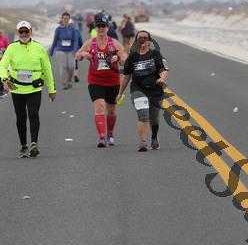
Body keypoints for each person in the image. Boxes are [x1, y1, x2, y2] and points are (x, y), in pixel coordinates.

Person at [0, 20, 56, 158]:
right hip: (17, 88)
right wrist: (5, 79)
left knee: (33, 113)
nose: (24, 34)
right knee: (21, 117)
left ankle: (34, 144)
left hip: (34, 88)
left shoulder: (39, 48)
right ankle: (24, 145)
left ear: (31, 31)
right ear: (18, 32)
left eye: (26, 31)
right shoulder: (12, 48)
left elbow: (47, 69)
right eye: (21, 31)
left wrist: (51, 89)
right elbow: (2, 65)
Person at [76, 15, 127, 147]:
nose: (101, 28)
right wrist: (83, 54)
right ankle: (102, 137)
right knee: (99, 107)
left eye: (103, 26)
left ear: (107, 28)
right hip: (95, 81)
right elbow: (77, 55)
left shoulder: (114, 43)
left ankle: (110, 134)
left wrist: (118, 58)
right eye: (99, 26)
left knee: (111, 110)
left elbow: (125, 59)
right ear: (95, 28)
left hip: (113, 81)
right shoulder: (90, 43)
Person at [117, 31, 168, 151]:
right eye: (140, 38)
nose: (143, 39)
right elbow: (126, 77)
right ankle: (143, 142)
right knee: (143, 114)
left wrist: (162, 78)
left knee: (154, 117)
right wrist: (120, 93)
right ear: (136, 41)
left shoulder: (156, 54)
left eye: (145, 37)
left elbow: (163, 70)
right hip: (138, 89)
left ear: (149, 41)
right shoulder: (132, 57)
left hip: (155, 90)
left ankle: (154, 136)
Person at [49, 12, 77, 90]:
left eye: (67, 19)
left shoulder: (72, 29)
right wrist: (51, 50)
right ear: (62, 19)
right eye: (64, 18)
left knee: (71, 67)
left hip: (70, 50)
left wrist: (75, 49)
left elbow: (75, 40)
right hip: (60, 50)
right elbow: (55, 40)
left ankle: (69, 80)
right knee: (63, 67)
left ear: (69, 19)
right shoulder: (58, 29)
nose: (65, 20)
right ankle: (64, 83)